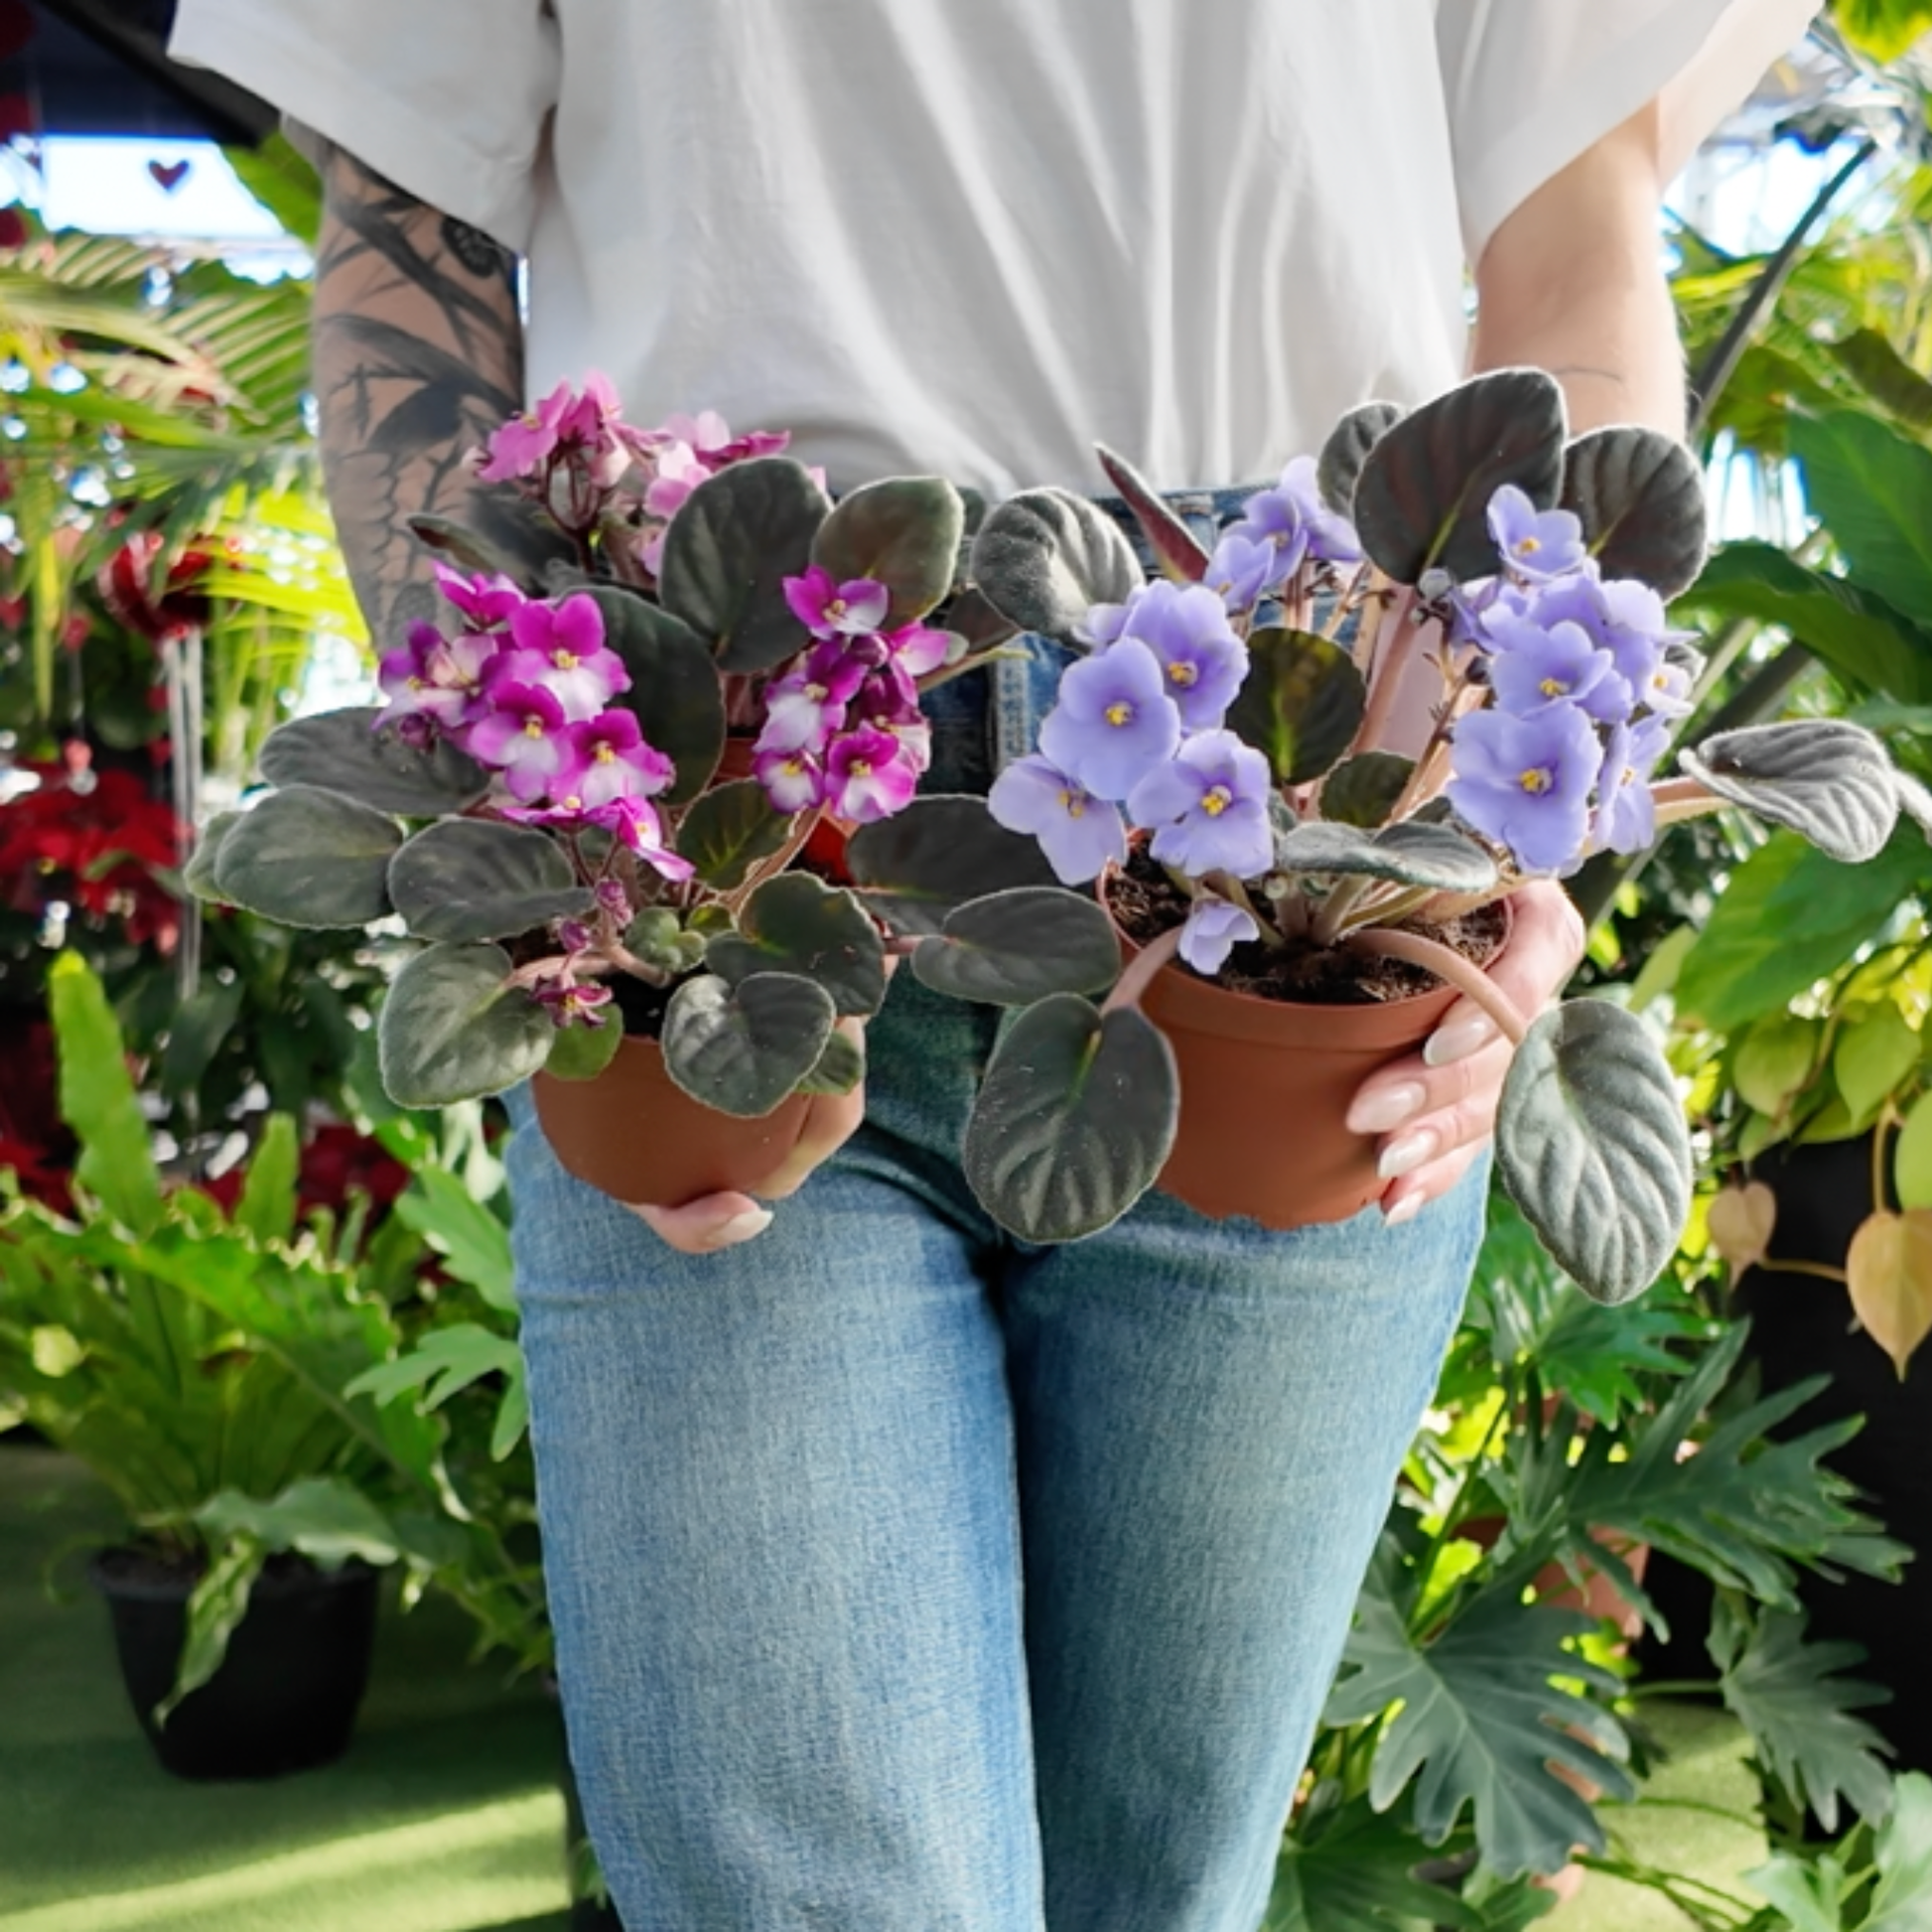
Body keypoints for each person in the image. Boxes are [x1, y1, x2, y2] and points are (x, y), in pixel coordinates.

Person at [172, 7, 1820, 1927]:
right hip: (726, 776)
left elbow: (1569, 215)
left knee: (1160, 1889)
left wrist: (1532, 811)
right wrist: (536, 787)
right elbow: (408, 212)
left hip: (1304, 797)